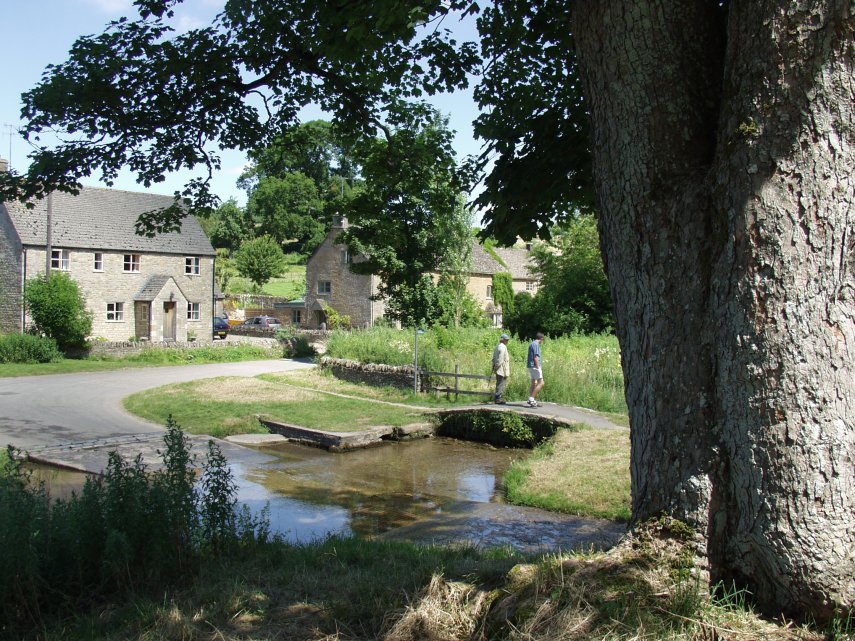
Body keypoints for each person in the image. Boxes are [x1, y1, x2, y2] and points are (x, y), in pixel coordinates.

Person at [526, 332, 545, 407]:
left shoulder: (532, 344)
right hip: (534, 366)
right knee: (541, 383)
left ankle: (531, 400)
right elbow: (535, 357)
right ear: (541, 339)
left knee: (534, 383)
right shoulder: (536, 345)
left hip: (530, 366)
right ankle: (531, 398)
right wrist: (538, 367)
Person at [492, 333, 511, 404]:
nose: (507, 341)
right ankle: (497, 399)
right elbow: (500, 359)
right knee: (501, 384)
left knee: (498, 383)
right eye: (506, 340)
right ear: (503, 340)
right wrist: (497, 366)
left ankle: (497, 398)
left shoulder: (497, 346)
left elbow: (494, 358)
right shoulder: (503, 347)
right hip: (501, 369)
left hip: (498, 369)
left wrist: (494, 367)